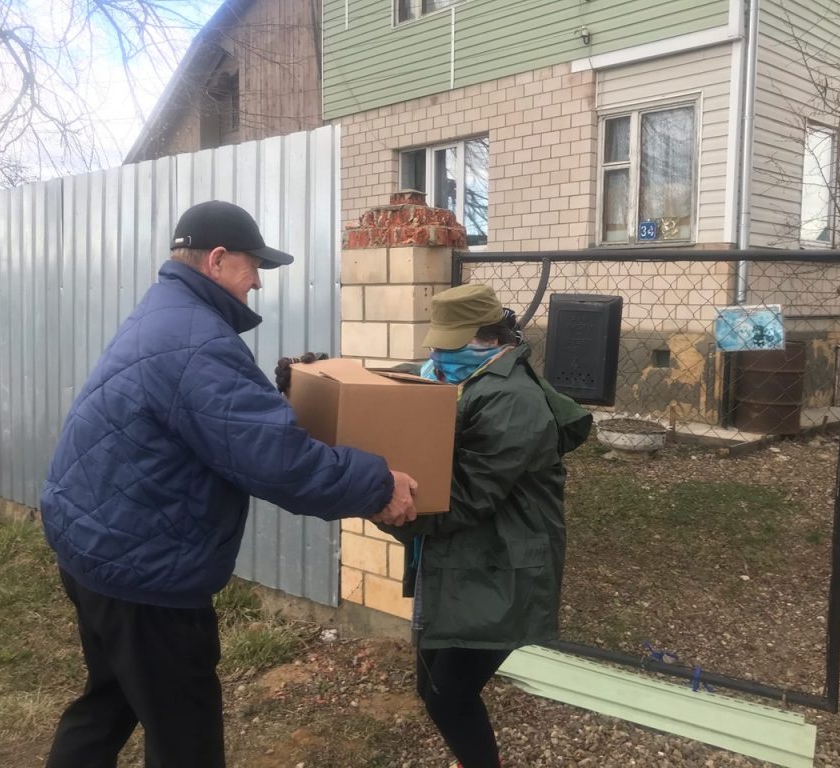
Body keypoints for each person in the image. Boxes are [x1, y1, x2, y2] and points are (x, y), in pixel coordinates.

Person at [39, 199, 418, 768]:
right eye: (253, 265)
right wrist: (377, 483)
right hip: (144, 575)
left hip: (96, 547)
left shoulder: (167, 314)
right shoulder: (197, 340)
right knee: (186, 740)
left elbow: (220, 422)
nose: (258, 282)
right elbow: (277, 462)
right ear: (217, 260)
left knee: (109, 702)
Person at [278, 284, 591, 768]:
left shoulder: (512, 401)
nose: (436, 357)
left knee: (448, 696)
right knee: (432, 687)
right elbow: (386, 384)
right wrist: (324, 373)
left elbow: (464, 500)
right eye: (436, 345)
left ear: (490, 339)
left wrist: (376, 498)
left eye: (449, 346)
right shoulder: (459, 376)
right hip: (462, 564)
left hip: (502, 572)